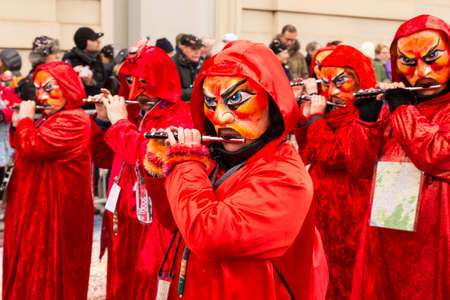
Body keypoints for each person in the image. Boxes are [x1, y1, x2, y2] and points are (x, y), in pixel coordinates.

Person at [144, 40, 328, 300]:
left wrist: (185, 163)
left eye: (237, 100)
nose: (220, 117)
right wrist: (161, 168)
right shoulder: (216, 160)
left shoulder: (285, 175)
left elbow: (208, 236)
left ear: (273, 103)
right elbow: (175, 220)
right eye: (210, 102)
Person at [349, 14, 449, 300]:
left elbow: (438, 157)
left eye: (433, 58)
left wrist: (403, 111)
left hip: (436, 240)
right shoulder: (395, 104)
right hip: (387, 232)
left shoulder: (401, 106)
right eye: (408, 62)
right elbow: (359, 166)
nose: (421, 72)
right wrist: (366, 121)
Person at [90, 38, 192, 300]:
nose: (134, 92)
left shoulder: (180, 116)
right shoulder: (133, 114)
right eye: (130, 81)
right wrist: (103, 121)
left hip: (155, 226)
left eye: (142, 82)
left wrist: (121, 124)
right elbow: (104, 160)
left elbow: (147, 159)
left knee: (150, 286)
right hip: (124, 222)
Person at [3, 61, 93, 299]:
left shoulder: (74, 120)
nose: (42, 95)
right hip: (35, 206)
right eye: (38, 88)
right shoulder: (50, 116)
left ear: (68, 88)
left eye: (50, 87)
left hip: (55, 211)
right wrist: (20, 124)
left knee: (48, 269)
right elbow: (23, 145)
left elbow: (33, 146)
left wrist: (24, 120)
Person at [297, 45, 376, 300]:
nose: (333, 91)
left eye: (341, 81)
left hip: (351, 206)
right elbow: (308, 149)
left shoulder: (364, 114)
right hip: (322, 206)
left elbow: (335, 154)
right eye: (326, 82)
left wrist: (316, 120)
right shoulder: (333, 111)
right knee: (323, 264)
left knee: (349, 268)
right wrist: (304, 114)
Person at [63, 26, 106, 96]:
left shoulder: (97, 58)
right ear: (84, 42)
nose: (99, 41)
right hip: (82, 104)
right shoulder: (71, 59)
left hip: (99, 101)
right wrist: (88, 83)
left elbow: (103, 81)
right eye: (94, 39)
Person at [16, 36, 60, 101]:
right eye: (54, 53)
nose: (58, 56)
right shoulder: (35, 78)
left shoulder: (53, 74)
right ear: (43, 56)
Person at [172, 34, 203, 102]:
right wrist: (197, 91)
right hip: (177, 108)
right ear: (183, 48)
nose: (197, 52)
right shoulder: (172, 65)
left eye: (199, 48)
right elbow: (172, 93)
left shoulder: (200, 64)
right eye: (193, 48)